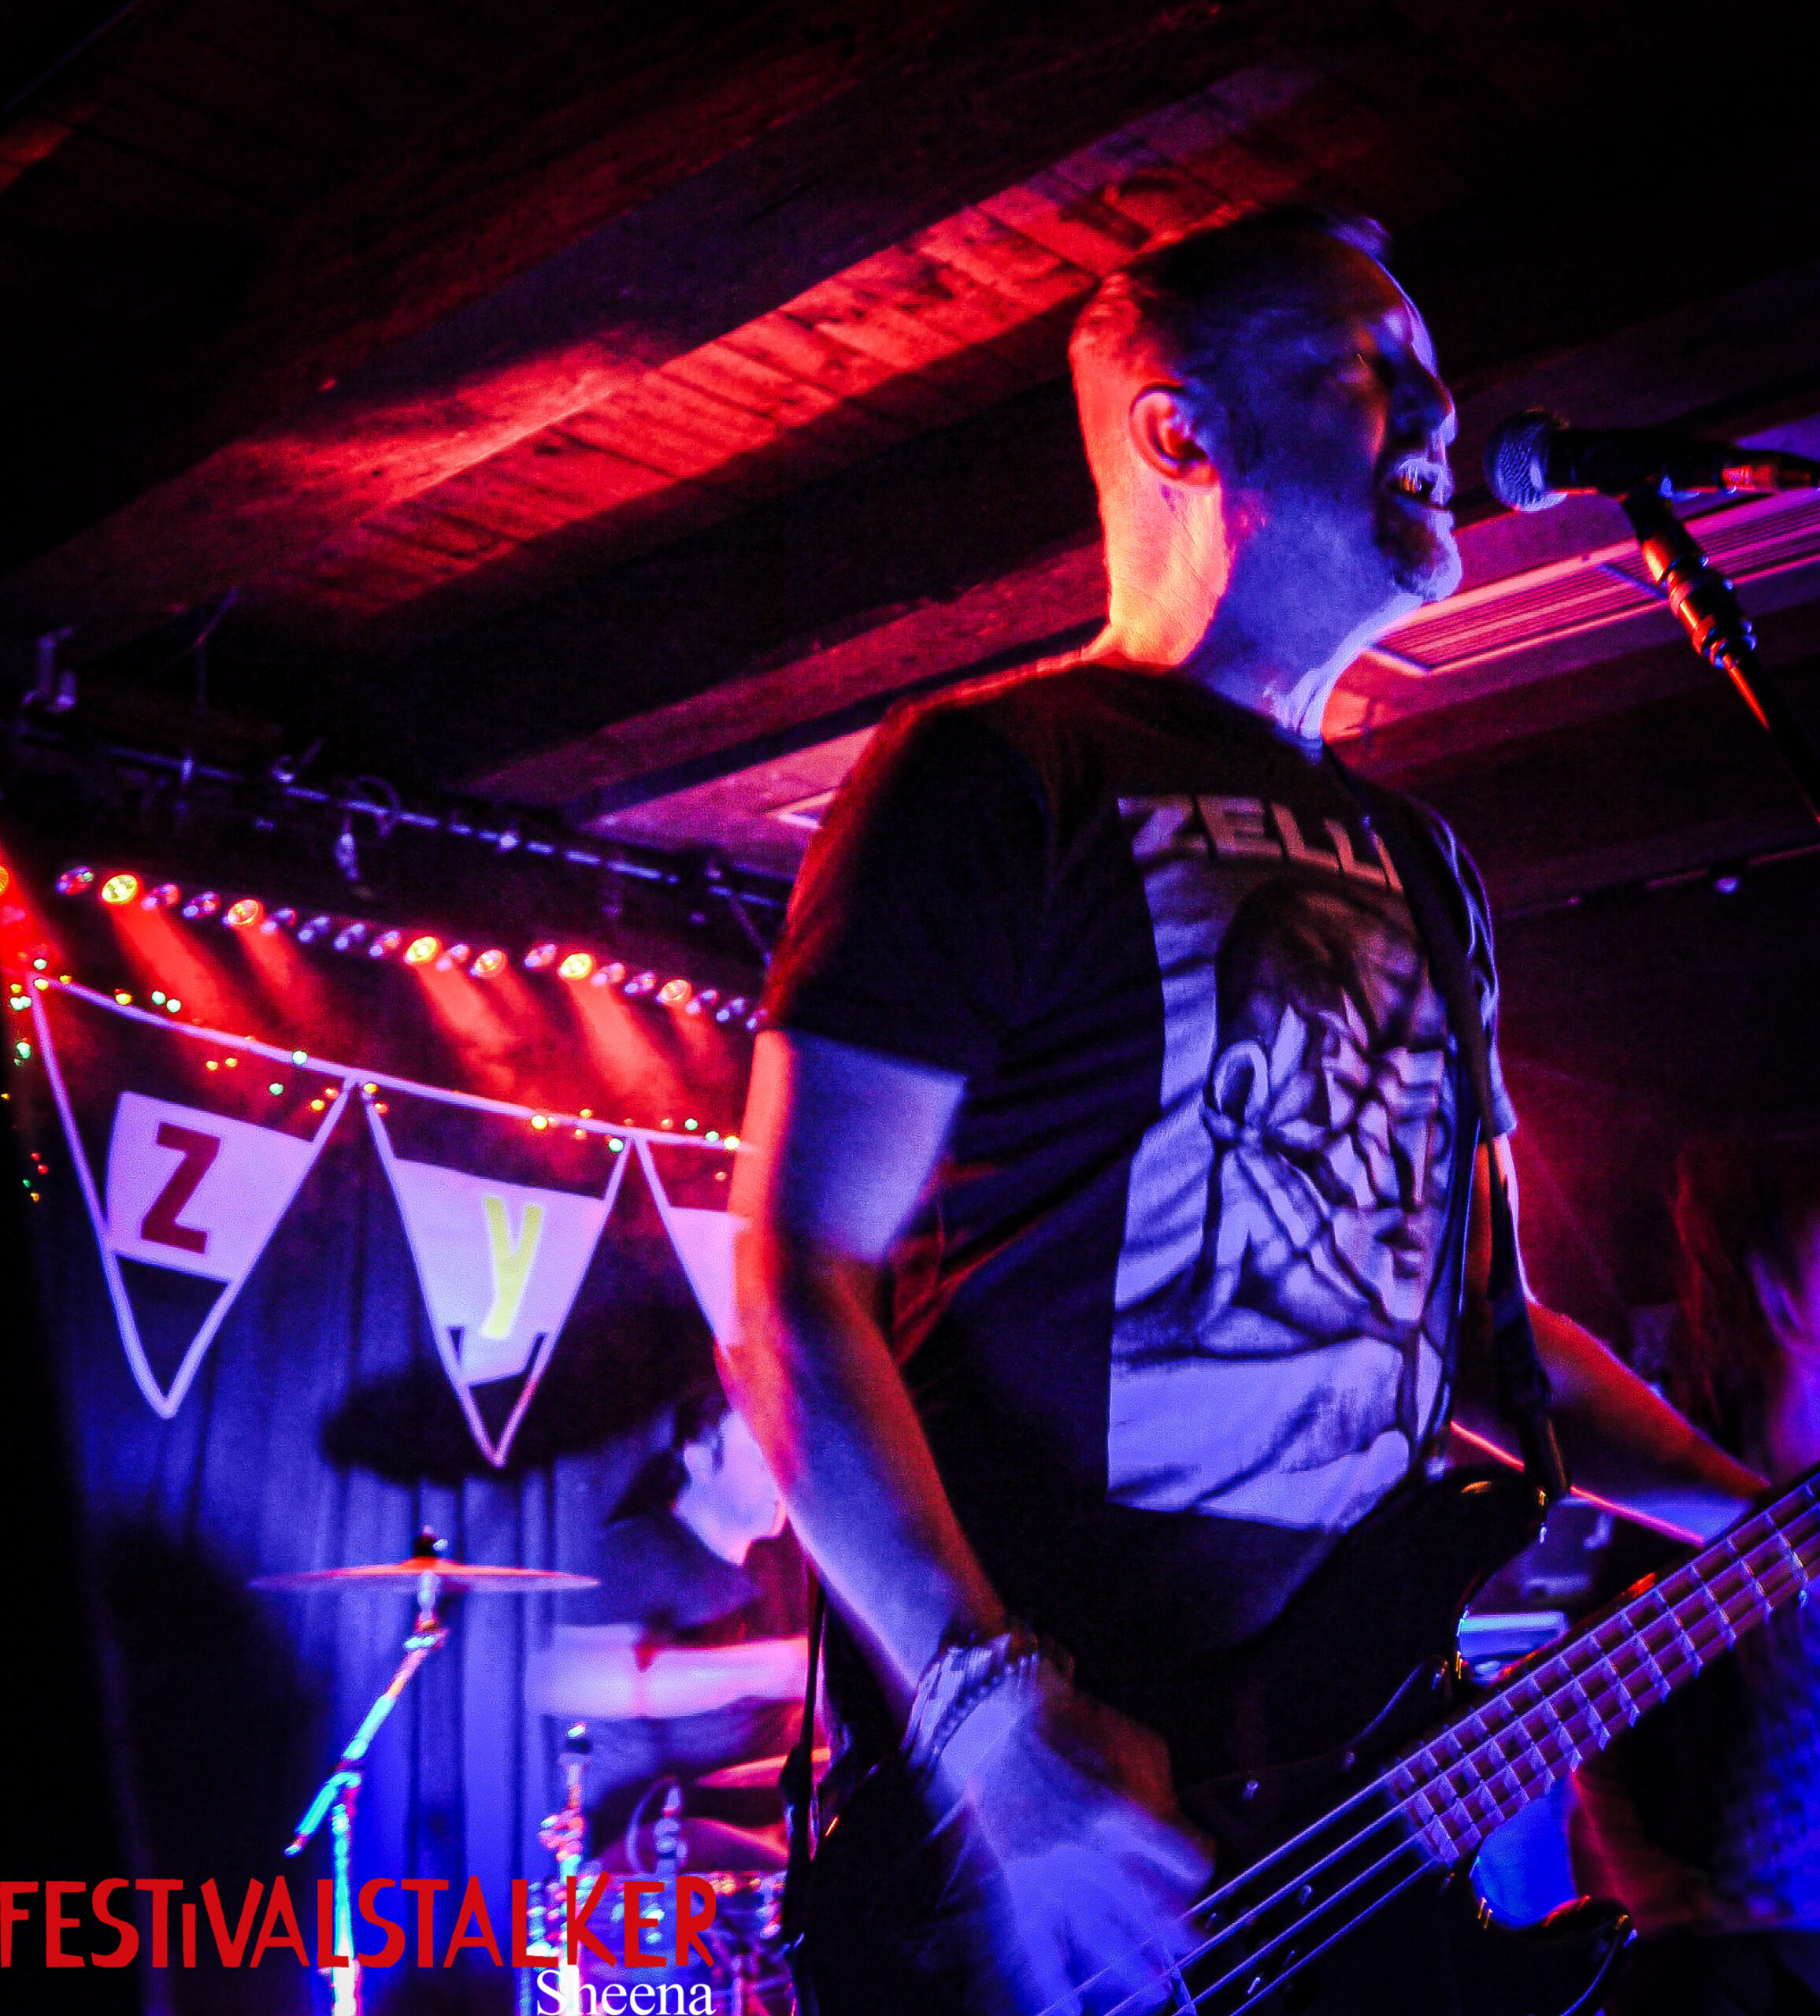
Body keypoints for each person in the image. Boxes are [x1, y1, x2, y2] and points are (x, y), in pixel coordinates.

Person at [722, 206, 1764, 2013]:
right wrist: (993, 1723)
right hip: (1054, 1857)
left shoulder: (1428, 864)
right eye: (1370, 364)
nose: (1439, 412)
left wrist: (1768, 1524)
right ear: (1180, 428)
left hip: (1346, 1819)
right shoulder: (998, 772)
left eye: (1436, 372)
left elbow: (1491, 1336)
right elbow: (792, 1272)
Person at [1572, 1136, 1820, 2014]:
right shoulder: (1678, 1511)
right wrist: (1645, 1881)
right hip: (1721, 1963)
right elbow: (1585, 1718)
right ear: (1776, 1292)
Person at [528, 1384, 809, 1849]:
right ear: (699, 1459)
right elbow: (564, 1678)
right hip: (653, 1850)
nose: (783, 1474)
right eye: (764, 1456)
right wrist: (771, 1669)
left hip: (764, 1843)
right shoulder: (633, 1552)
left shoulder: (783, 1569)